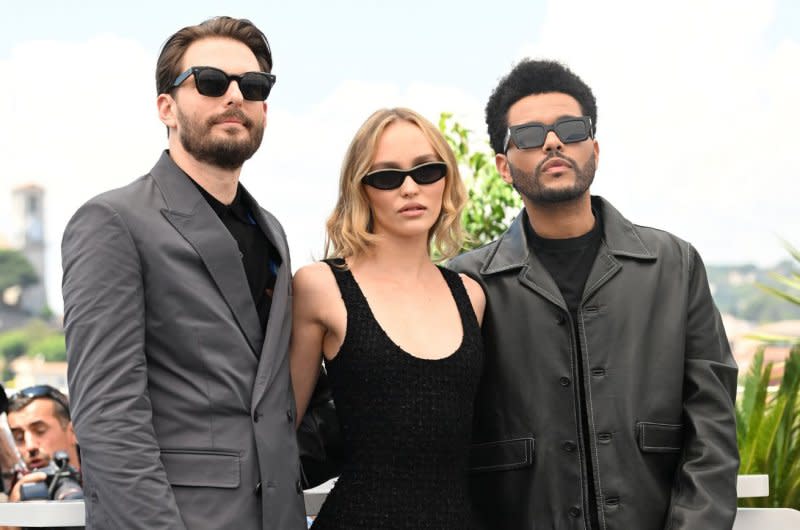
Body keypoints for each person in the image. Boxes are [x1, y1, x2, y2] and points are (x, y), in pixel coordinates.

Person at [448, 59, 739, 530]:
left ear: (595, 149)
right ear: (503, 166)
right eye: (528, 135)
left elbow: (712, 425)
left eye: (570, 128)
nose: (553, 142)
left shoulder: (673, 265)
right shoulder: (467, 283)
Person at [61, 16, 306, 530]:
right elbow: (108, 417)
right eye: (212, 82)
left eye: (254, 86)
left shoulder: (273, 231)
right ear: (165, 107)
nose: (235, 96)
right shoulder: (113, 221)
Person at [290, 107, 486, 529]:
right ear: (362, 189)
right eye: (386, 176)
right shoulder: (319, 287)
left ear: (447, 179)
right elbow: (278, 430)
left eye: (426, 171)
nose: (410, 188)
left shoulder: (471, 296)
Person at [6, 385, 80, 501]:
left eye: (40, 431)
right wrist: (13, 513)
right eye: (19, 437)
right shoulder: (16, 495)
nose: (30, 446)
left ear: (73, 432)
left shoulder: (107, 481)